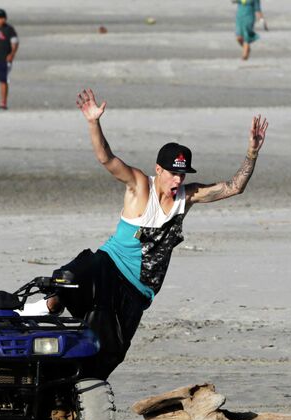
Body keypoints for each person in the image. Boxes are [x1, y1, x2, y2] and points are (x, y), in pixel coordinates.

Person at [41, 89, 268, 379]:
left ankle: (72, 393)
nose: (178, 179)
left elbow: (234, 187)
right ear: (158, 170)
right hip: (110, 267)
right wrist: (93, 122)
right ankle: (46, 306)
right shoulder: (139, 185)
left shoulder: (188, 197)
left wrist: (252, 152)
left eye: (182, 174)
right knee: (75, 274)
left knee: (111, 351)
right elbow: (106, 158)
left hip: (139, 290)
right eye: (173, 173)